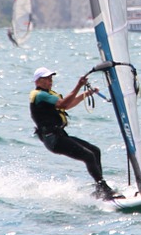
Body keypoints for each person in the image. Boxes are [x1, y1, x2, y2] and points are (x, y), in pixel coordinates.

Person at [28, 66, 118, 199]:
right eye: (46, 79)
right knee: (89, 156)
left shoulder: (48, 94)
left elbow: (67, 105)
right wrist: (78, 85)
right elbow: (64, 104)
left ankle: (100, 189)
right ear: (37, 82)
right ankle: (104, 190)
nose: (50, 81)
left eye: (50, 78)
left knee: (95, 151)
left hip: (60, 136)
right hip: (53, 140)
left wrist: (86, 94)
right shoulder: (40, 95)